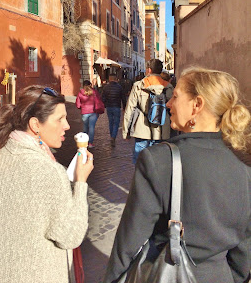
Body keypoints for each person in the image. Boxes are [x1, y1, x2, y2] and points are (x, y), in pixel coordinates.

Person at [103, 67, 251, 283]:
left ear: (197, 105)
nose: (169, 104)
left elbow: (128, 243)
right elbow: (244, 250)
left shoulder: (158, 160)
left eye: (175, 96)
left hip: (169, 275)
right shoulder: (243, 163)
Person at [0, 85, 94, 283]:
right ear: (35, 125)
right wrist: (80, 183)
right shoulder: (49, 172)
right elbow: (71, 235)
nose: (67, 126)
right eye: (60, 119)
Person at [123, 59, 174, 163]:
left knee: (140, 161)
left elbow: (130, 109)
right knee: (159, 161)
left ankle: (141, 179)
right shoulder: (168, 87)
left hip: (142, 129)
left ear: (149, 70)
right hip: (162, 130)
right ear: (160, 71)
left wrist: (126, 131)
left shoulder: (139, 85)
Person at [102, 74, 126, 147]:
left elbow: (103, 98)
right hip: (117, 107)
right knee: (116, 123)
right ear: (116, 79)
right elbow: (123, 98)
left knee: (110, 122)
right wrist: (124, 107)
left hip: (109, 106)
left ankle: (112, 135)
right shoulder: (119, 87)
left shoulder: (105, 87)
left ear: (109, 79)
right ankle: (113, 136)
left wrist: (104, 104)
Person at [76, 80, 102, 148]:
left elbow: (78, 104)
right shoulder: (94, 92)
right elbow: (98, 100)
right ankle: (90, 143)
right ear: (90, 85)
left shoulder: (80, 93)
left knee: (85, 127)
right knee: (91, 127)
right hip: (93, 112)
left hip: (84, 112)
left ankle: (84, 142)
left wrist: (81, 107)